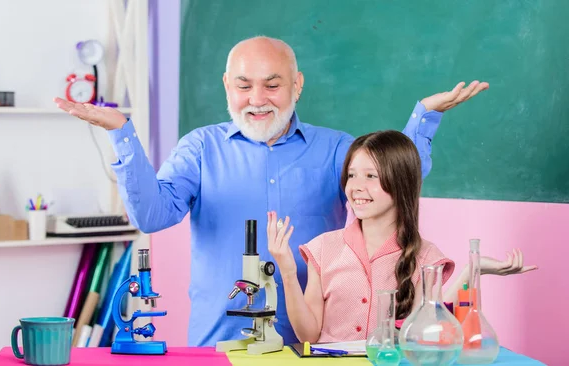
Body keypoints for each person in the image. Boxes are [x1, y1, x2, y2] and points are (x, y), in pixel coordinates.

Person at [53, 36, 489, 346]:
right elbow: (153, 217)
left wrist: (424, 119)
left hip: (316, 340)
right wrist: (122, 136)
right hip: (220, 340)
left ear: (297, 86)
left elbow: (392, 176)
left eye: (272, 84)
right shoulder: (200, 148)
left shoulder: (336, 147)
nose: (256, 98)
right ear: (228, 86)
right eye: (243, 85)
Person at [267, 130, 537, 343]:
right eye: (351, 175)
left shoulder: (425, 256)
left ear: (400, 183)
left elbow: (426, 326)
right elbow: (308, 335)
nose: (357, 187)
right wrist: (289, 274)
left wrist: (471, 273)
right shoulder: (323, 248)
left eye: (371, 176)